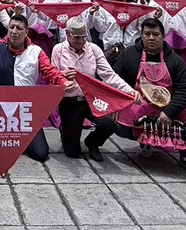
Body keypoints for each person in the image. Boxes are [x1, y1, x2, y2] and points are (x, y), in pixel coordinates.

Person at [0, 15, 74, 162]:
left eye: (19, 28)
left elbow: (50, 71)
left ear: (26, 32)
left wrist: (63, 81)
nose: (14, 31)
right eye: (11, 27)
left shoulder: (36, 51)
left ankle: (15, 139)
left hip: (25, 111)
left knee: (41, 153)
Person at [112, 18, 186, 172]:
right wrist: (117, 104)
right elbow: (115, 80)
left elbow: (184, 89)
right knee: (119, 122)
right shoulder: (128, 54)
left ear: (163, 36)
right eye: (147, 34)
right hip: (140, 104)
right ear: (141, 35)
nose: (151, 38)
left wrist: (169, 112)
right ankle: (144, 142)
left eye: (156, 34)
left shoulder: (175, 60)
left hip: (168, 105)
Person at [50, 17, 133, 161]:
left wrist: (129, 90)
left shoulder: (93, 49)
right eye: (76, 37)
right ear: (68, 34)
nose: (80, 41)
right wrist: (63, 78)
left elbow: (109, 75)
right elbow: (53, 76)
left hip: (91, 98)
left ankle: (93, 143)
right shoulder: (58, 50)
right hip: (70, 100)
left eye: (83, 37)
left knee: (109, 123)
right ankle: (66, 130)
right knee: (72, 152)